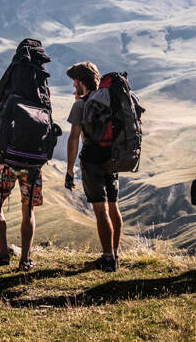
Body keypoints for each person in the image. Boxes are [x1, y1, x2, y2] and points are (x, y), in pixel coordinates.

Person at [0, 39, 52, 271]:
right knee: (27, 209)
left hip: (7, 161)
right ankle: (25, 260)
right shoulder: (43, 88)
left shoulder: (13, 80)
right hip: (33, 163)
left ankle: (3, 253)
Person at [65, 61, 122, 272]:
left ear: (81, 82)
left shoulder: (81, 105)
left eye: (74, 82)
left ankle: (107, 259)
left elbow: (73, 139)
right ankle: (115, 255)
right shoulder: (110, 100)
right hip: (113, 158)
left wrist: (70, 170)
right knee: (114, 206)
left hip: (92, 160)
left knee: (101, 209)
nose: (73, 86)